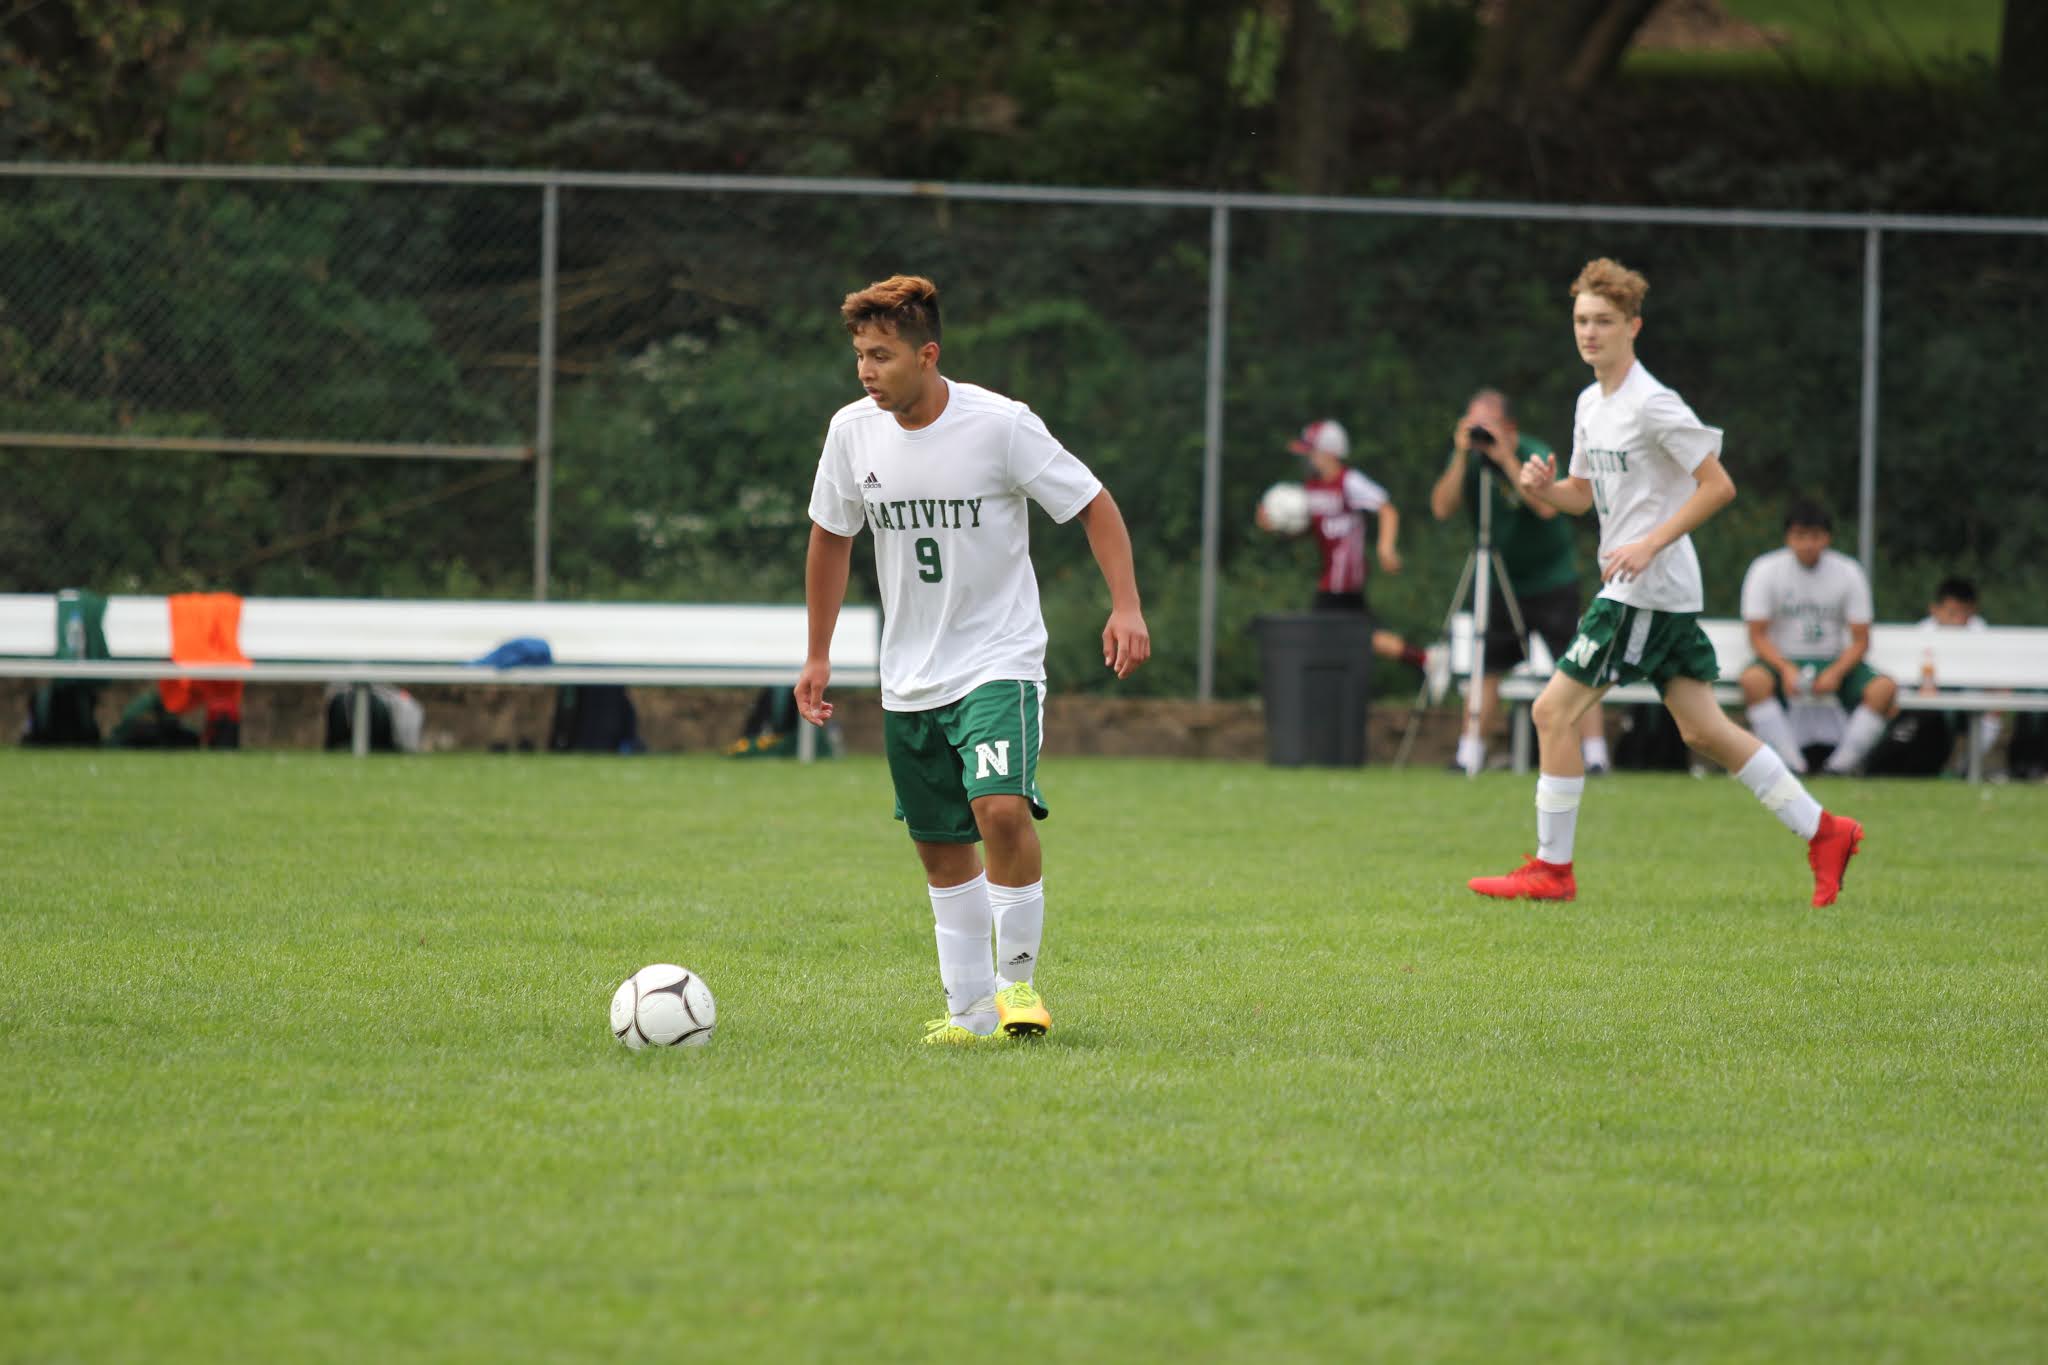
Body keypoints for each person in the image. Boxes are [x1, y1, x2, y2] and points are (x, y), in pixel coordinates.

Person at [796, 274, 1151, 1045]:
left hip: (999, 657)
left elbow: (1092, 502)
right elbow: (831, 535)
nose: (866, 370)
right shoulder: (851, 432)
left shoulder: (1000, 425)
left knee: (1000, 808)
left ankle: (1018, 985)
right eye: (860, 354)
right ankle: (966, 1014)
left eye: (882, 355)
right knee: (939, 845)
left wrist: (1125, 604)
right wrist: (818, 652)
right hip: (909, 673)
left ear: (928, 355)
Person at [1467, 257, 1864, 907]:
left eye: (1602, 321)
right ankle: (1826, 831)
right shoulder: (1590, 404)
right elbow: (1580, 496)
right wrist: (1538, 485)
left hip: (1643, 588)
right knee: (1705, 731)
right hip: (1651, 590)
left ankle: (1552, 869)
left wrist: (1651, 541)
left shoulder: (1654, 404)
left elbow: (1719, 485)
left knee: (1550, 710)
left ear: (1634, 326)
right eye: (1580, 321)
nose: (1588, 333)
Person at [1429, 389, 1609, 775]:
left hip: (1551, 579)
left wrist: (1505, 458)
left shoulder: (1533, 452)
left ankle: (1595, 755)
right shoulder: (1469, 460)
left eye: (1487, 425)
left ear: (1509, 427)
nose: (1480, 434)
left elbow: (1546, 507)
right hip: (1500, 579)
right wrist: (1461, 454)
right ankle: (1469, 754)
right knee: (1490, 667)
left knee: (1577, 664)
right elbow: (1442, 508)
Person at [1256, 417, 1437, 686]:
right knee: (1362, 634)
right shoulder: (1312, 487)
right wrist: (1275, 525)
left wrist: (1386, 546)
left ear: (1328, 453)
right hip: (1330, 576)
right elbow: (1308, 528)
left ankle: (1425, 661)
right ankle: (1426, 660)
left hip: (1345, 577)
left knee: (1329, 637)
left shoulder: (1348, 481)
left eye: (1312, 452)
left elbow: (1386, 509)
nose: (1308, 460)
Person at [1737, 501, 1899, 776]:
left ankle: (1839, 767)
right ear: (1788, 537)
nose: (1808, 544)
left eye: (1815, 536)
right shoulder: (1765, 569)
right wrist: (1786, 669)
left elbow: (1861, 640)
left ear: (1827, 538)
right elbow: (1757, 635)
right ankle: (1791, 765)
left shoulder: (1848, 571)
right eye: (1800, 536)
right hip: (1782, 660)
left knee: (1883, 689)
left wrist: (1836, 672)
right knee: (1753, 681)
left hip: (1832, 660)